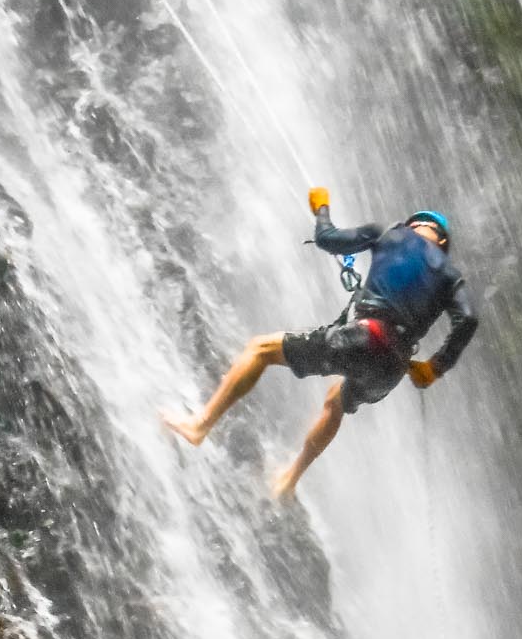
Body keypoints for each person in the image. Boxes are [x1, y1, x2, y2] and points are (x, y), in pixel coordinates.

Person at [162, 188, 479, 499]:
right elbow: (468, 319)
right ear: (442, 243)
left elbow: (327, 239)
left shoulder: (389, 234)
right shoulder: (451, 277)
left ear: (412, 224)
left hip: (364, 336)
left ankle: (199, 425)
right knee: (336, 402)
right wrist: (435, 367)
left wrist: (321, 209)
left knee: (260, 349)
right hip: (392, 369)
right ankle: (289, 479)